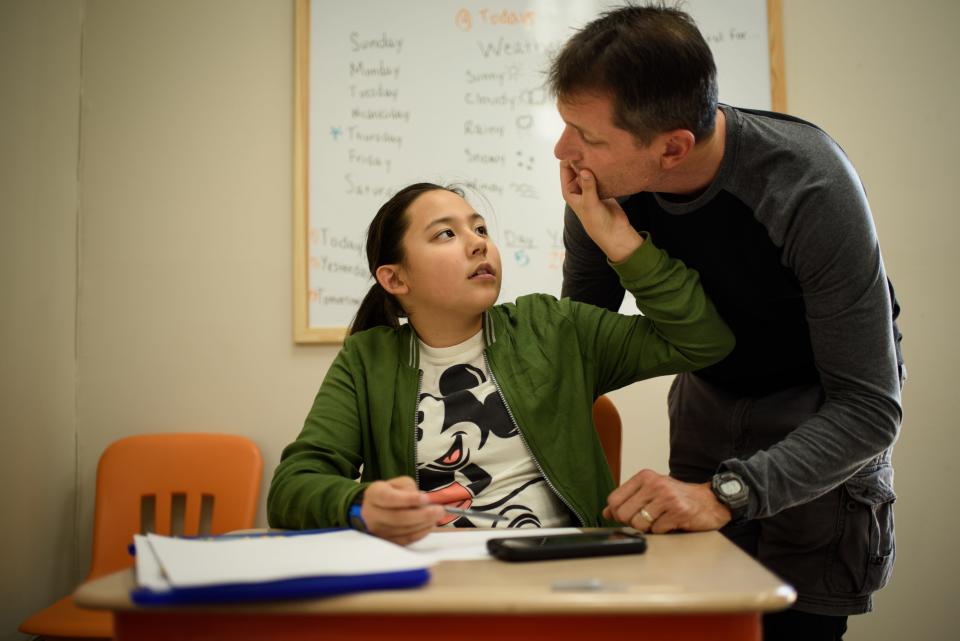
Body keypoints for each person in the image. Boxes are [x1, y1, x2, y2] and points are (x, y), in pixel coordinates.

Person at [549, 5, 904, 640]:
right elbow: (583, 350)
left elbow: (870, 408)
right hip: (708, 403)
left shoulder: (808, 186)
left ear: (673, 147)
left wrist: (725, 495)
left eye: (587, 135)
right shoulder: (599, 187)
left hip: (820, 421)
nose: (564, 151)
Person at [268, 182, 733, 545]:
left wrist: (622, 245)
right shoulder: (368, 360)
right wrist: (359, 504)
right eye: (446, 234)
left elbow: (702, 340)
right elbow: (293, 487)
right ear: (395, 278)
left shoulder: (552, 327)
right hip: (438, 581)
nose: (477, 244)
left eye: (480, 229)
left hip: (564, 572)